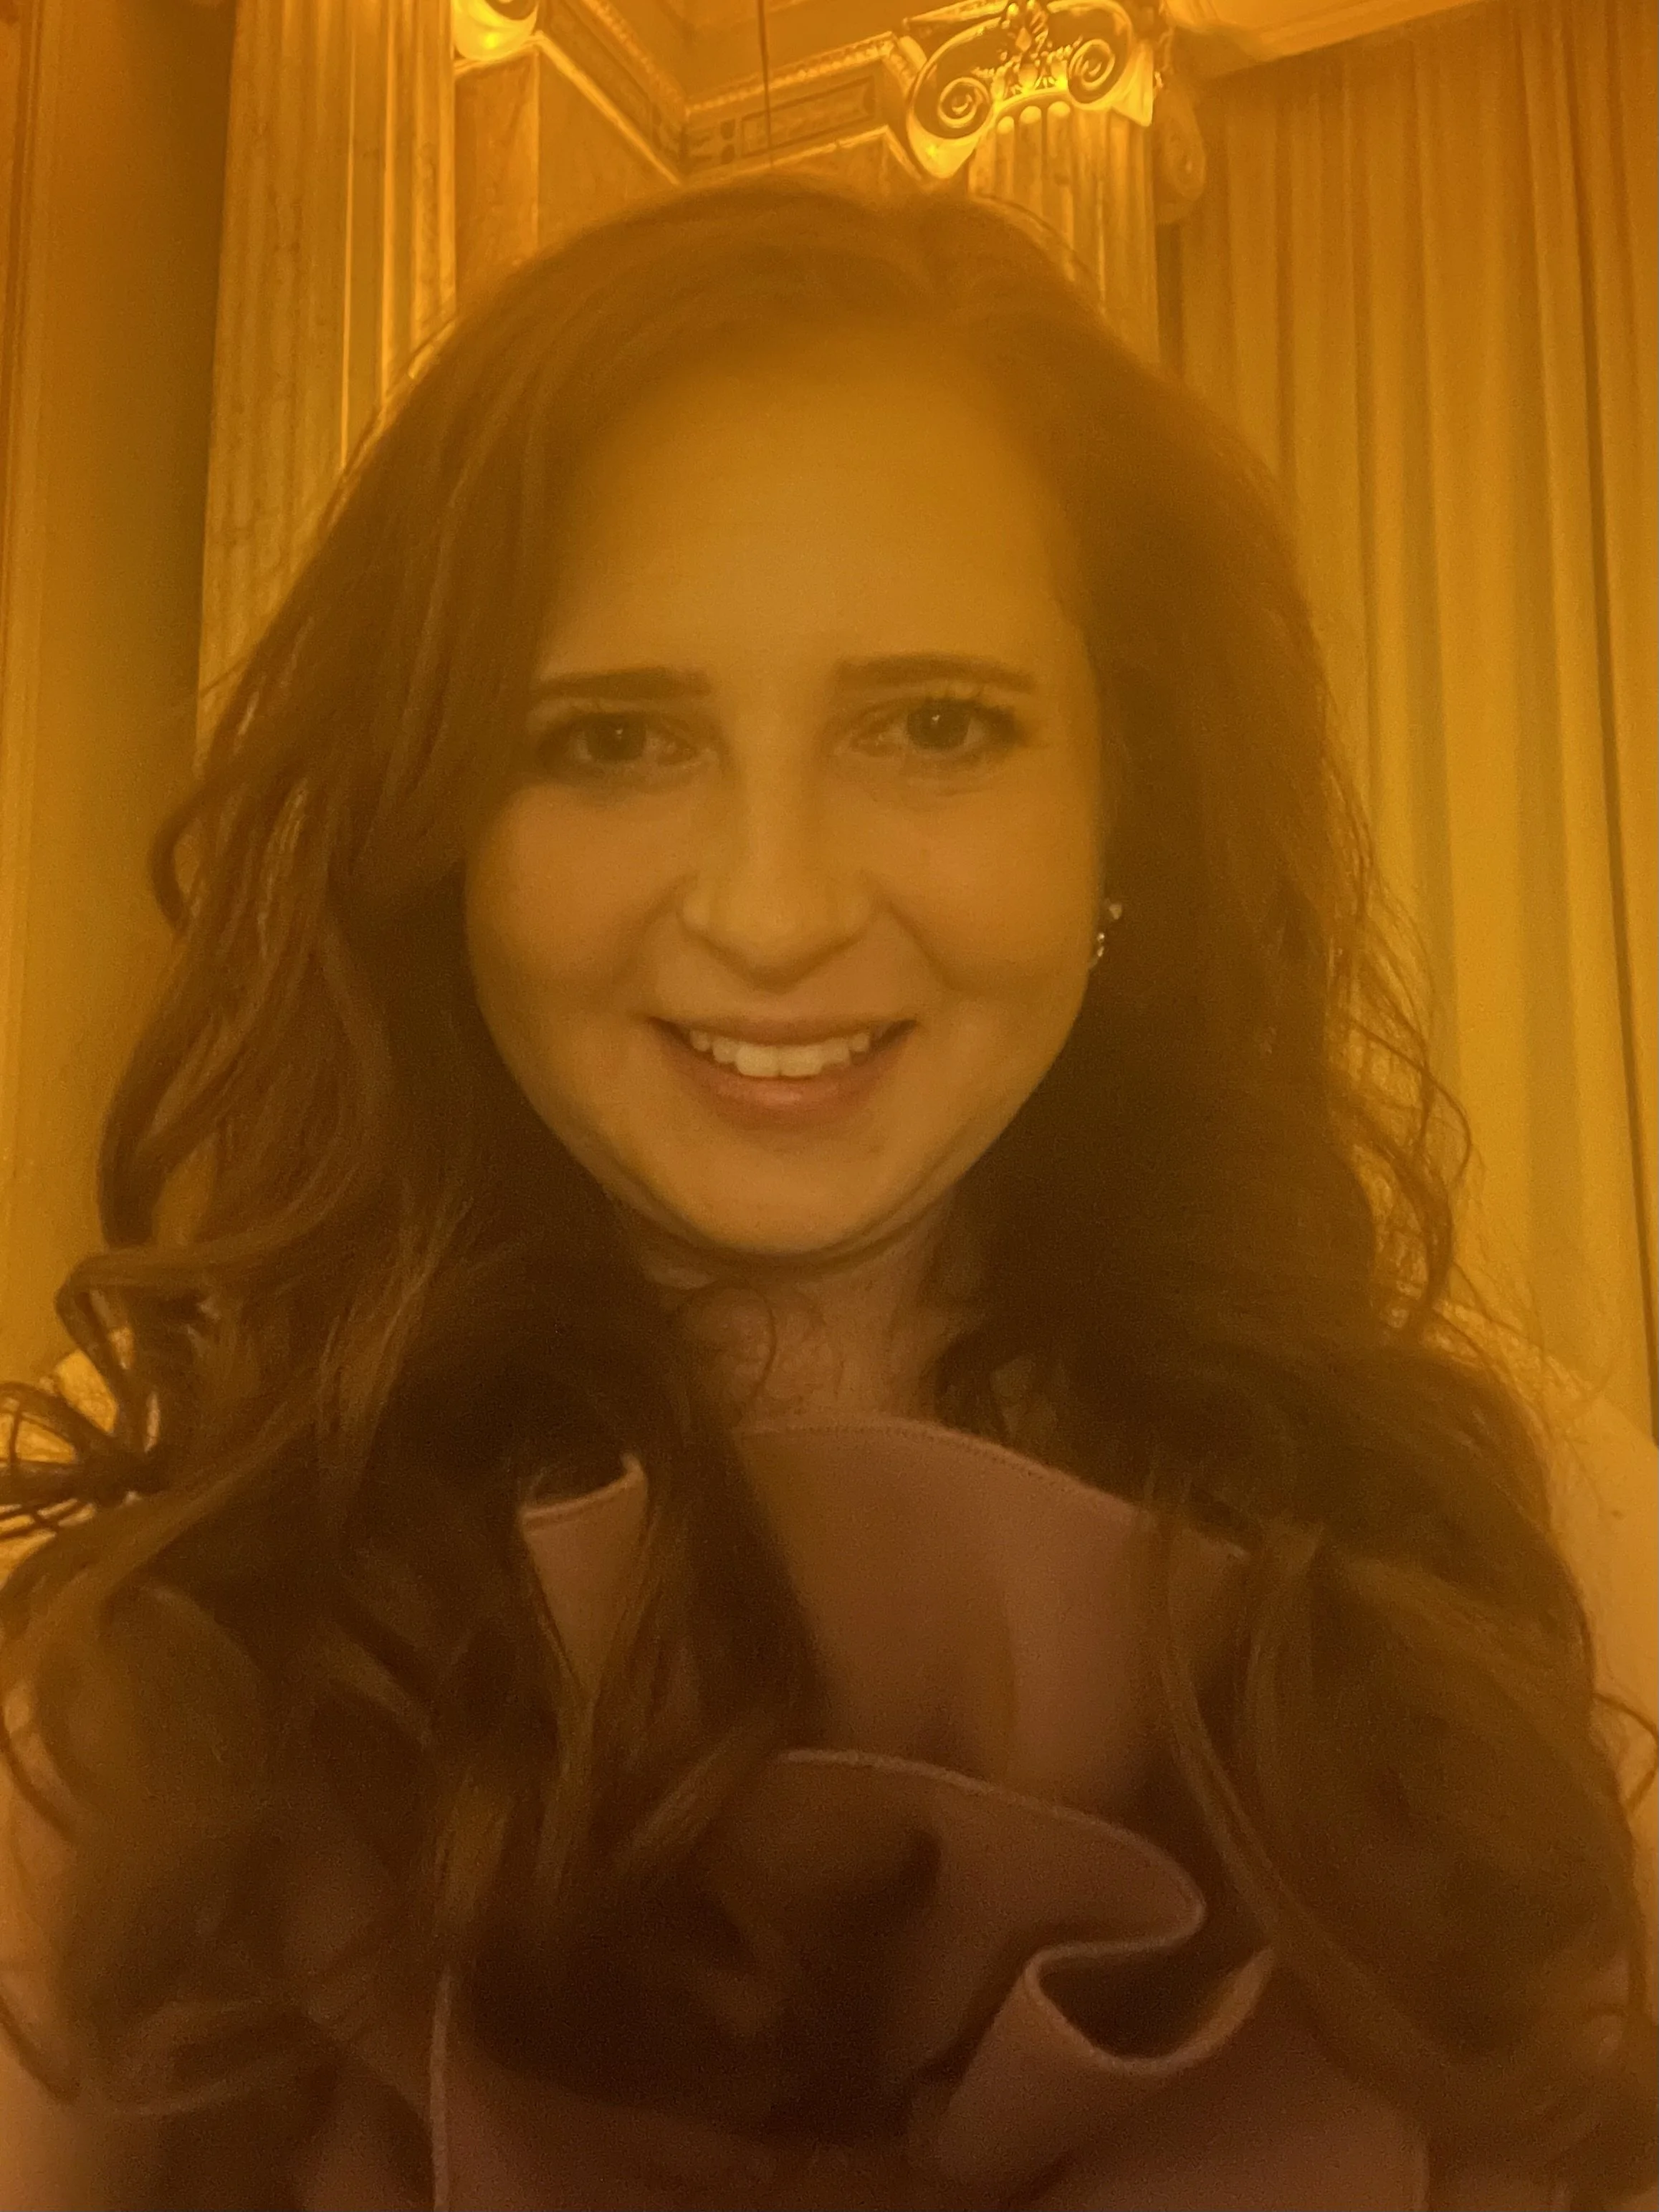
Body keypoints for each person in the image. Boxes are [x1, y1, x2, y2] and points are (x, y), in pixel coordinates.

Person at [1, 171, 1654, 2212]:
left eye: (936, 725)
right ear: (440, 839)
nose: (775, 910)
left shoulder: (1527, 1544)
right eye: (610, 739)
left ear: (1126, 797)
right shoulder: (151, 1659)